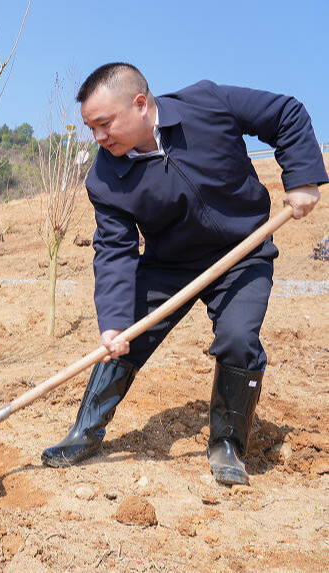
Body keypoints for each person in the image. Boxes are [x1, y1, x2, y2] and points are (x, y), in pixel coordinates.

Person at [41, 63, 326, 486]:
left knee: (238, 339)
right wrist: (114, 322)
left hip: (243, 251)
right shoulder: (104, 177)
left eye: (104, 124)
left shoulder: (207, 104)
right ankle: (84, 432)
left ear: (140, 104)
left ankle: (227, 444)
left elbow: (285, 113)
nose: (99, 137)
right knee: (126, 336)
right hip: (170, 263)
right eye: (91, 128)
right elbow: (115, 250)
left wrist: (302, 177)